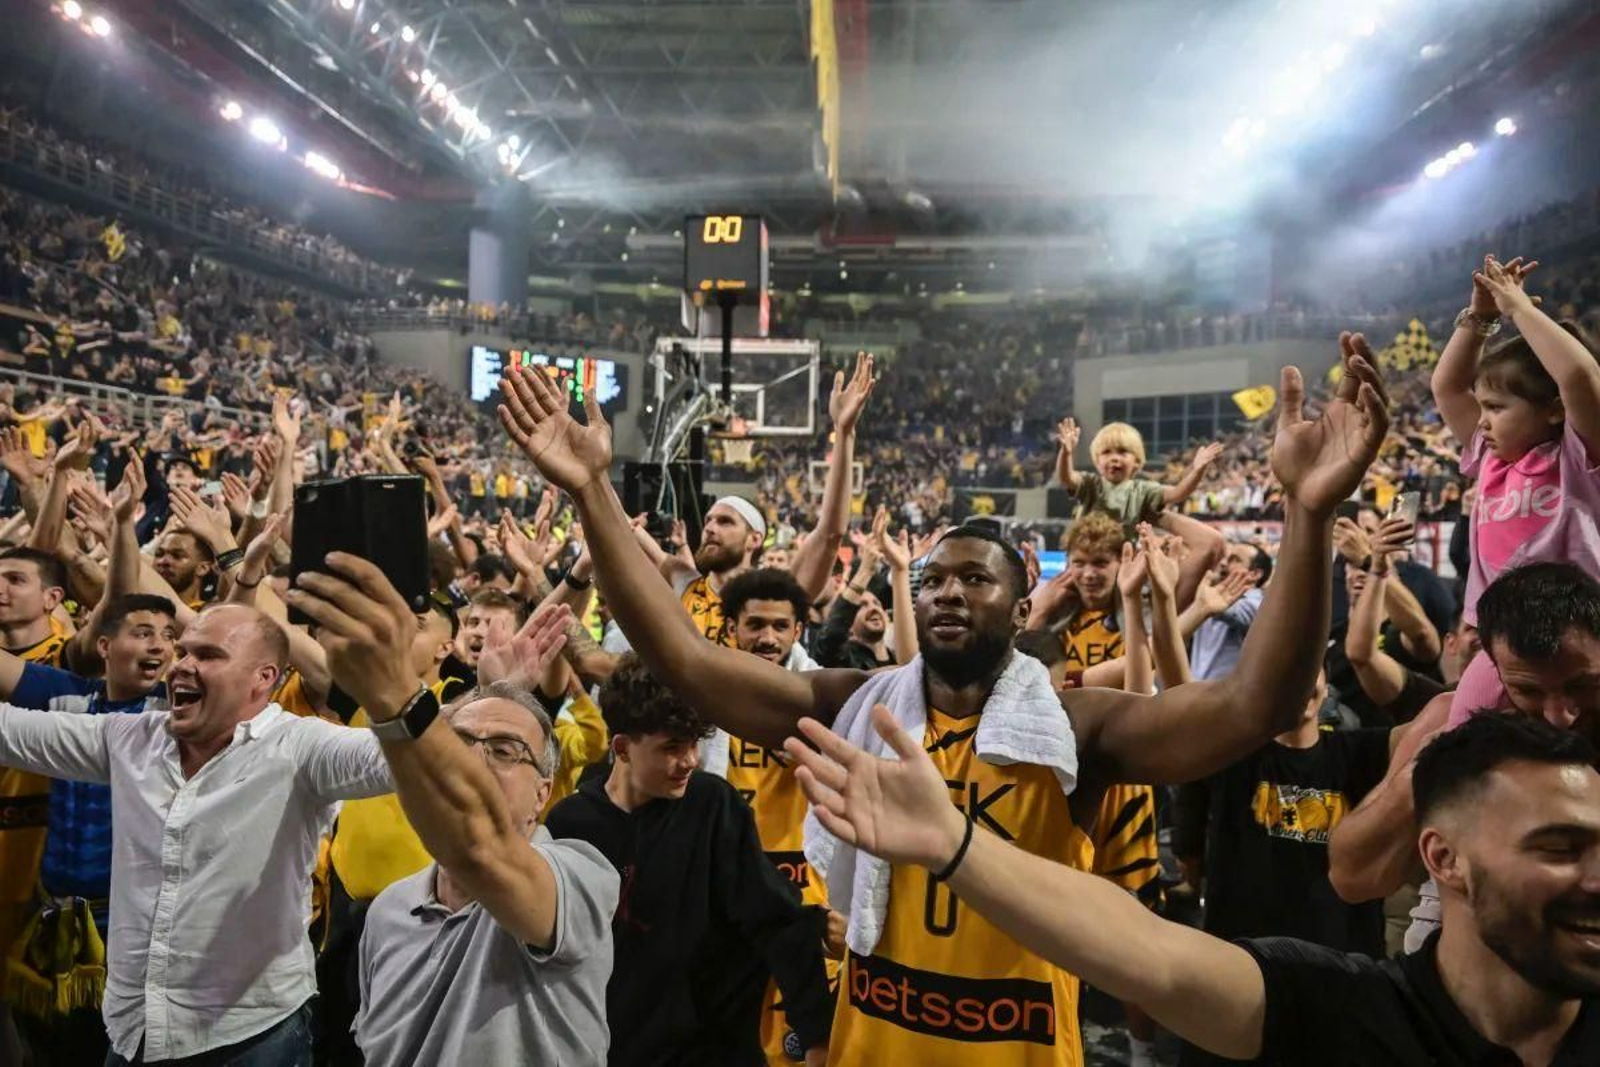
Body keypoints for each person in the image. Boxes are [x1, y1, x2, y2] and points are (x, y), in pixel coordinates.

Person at [496, 333, 1389, 1066]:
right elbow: (687, 661)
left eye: (978, 578)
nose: (950, 591)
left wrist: (1307, 515)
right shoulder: (858, 700)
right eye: (934, 579)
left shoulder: (1075, 726)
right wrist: (591, 491)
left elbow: (1256, 704)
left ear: (1021, 599)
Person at [783, 705, 1600, 1065]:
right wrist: (957, 843)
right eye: (1562, 846)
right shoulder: (1352, 1017)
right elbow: (1153, 954)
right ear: (1443, 859)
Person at [0, 602, 396, 1064]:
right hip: (134, 1030)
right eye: (183, 651)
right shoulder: (132, 739)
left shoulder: (301, 748)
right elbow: (11, 731)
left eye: (207, 655)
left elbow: (396, 757)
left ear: (264, 677)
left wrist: (402, 695)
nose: (182, 664)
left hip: (249, 1035)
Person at [289, 557, 619, 1067]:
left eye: (508, 751)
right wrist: (493, 694)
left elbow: (479, 846)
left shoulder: (581, 876)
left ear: (542, 792)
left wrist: (391, 694)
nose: (477, 760)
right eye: (461, 744)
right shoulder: (389, 911)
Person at [544, 656, 833, 1067]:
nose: (691, 760)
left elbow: (778, 920)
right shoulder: (570, 823)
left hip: (714, 1051)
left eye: (695, 743)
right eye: (672, 748)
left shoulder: (713, 805)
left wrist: (817, 1038)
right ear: (622, 748)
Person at [1329, 561, 1600, 950]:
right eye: (1529, 690)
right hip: (1469, 975)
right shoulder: (1450, 718)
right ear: (1495, 669)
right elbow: (1354, 877)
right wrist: (1437, 764)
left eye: (1583, 685)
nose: (1560, 715)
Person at [1172, 670, 1391, 1065]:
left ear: (1326, 685)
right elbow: (1179, 688)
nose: (1301, 682)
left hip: (1332, 975)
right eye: (1291, 671)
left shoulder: (1360, 753)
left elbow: (1437, 723)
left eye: (1311, 668)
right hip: (1239, 969)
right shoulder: (1234, 755)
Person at [1431, 254, 1600, 730]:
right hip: (1504, 643)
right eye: (1481, 406)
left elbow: (1579, 377)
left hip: (1578, 639)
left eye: (1497, 407)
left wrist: (1518, 308)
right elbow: (1446, 386)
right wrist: (1480, 318)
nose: (1480, 419)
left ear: (1552, 410)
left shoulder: (1579, 456)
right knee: (1464, 745)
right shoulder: (1489, 456)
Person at [646, 353, 875, 646]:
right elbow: (626, 530)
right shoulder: (685, 581)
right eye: (708, 520)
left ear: (754, 539)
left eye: (725, 521)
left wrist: (844, 433)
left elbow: (830, 534)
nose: (710, 527)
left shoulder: (774, 598)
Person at [718, 566, 843, 1066]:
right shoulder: (705, 701)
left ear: (798, 631)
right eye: (755, 625)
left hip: (805, 904)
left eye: (779, 626)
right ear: (732, 629)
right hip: (728, 905)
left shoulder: (829, 703)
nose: (767, 638)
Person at [1054, 418, 1225, 606]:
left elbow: (1177, 493)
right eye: (1106, 452)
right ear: (1097, 461)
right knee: (1064, 603)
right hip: (1086, 557)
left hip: (1121, 564)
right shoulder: (1091, 484)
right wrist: (1066, 453)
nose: (1114, 457)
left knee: (1123, 610)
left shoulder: (1143, 489)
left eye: (1122, 451)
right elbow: (1066, 478)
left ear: (1137, 461)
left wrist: (1197, 471)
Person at [1188, 541, 1269, 682]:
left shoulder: (1259, 605)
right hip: (1196, 694)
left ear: (1255, 574)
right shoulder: (1209, 595)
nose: (1224, 563)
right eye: (1224, 558)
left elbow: (1222, 610)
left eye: (1235, 559)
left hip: (1226, 701)